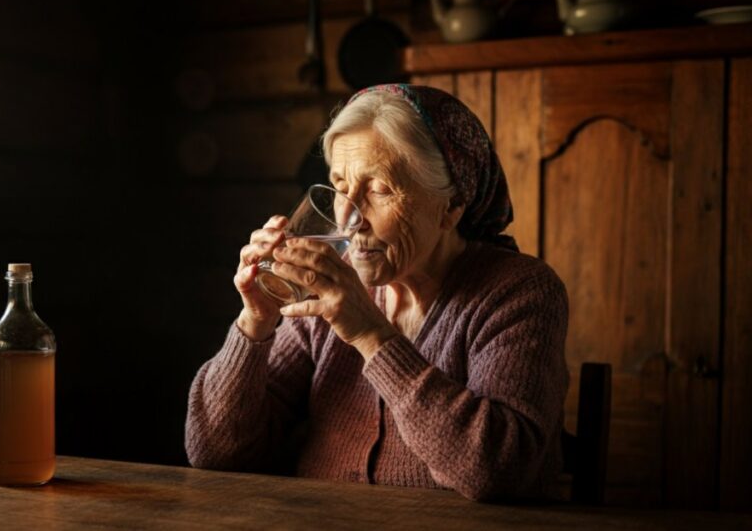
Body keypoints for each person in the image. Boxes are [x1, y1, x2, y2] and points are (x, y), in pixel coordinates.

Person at [185, 84, 569, 501]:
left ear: (452, 206)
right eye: (339, 185)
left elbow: (497, 470)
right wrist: (255, 323)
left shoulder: (519, 292)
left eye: (380, 189)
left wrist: (371, 335)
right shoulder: (328, 290)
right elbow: (214, 452)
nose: (348, 217)